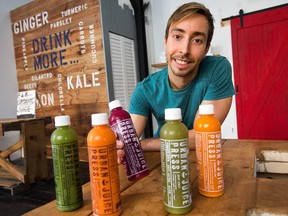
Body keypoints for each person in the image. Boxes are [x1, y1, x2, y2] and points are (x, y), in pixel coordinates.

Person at [117, 2, 235, 161]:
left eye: (197, 40)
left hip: (203, 159)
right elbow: (126, 142)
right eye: (178, 36)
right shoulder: (145, 89)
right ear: (165, 41)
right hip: (162, 158)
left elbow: (201, 137)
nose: (184, 50)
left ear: (206, 48)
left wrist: (141, 145)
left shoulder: (217, 69)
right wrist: (117, 146)